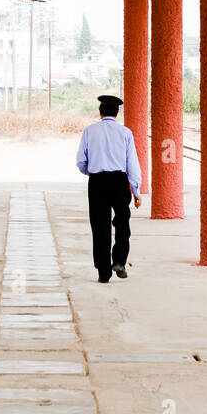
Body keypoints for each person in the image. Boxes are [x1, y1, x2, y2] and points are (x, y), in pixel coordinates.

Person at [75, 94, 142, 282]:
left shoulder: (89, 131)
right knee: (122, 223)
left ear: (100, 111)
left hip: (97, 182)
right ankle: (119, 261)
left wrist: (93, 172)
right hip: (120, 182)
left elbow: (81, 161)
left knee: (100, 226)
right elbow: (133, 164)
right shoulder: (126, 133)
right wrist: (136, 191)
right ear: (117, 112)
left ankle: (103, 273)